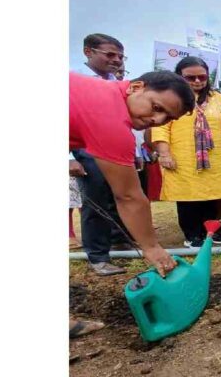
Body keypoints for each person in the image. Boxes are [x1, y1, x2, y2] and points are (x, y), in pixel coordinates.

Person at [70, 70, 194, 276]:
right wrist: (152, 248)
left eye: (168, 117)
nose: (158, 119)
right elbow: (128, 196)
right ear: (136, 87)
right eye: (156, 107)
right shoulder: (110, 118)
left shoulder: (100, 91)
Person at [70, 33, 135, 275]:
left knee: (118, 196)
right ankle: (98, 256)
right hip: (86, 150)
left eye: (120, 55)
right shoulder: (74, 80)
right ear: (88, 51)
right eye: (110, 54)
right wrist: (68, 157)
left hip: (114, 150)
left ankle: (119, 239)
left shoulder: (117, 83)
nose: (116, 60)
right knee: (96, 202)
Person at [151, 57, 221, 248]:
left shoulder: (217, 98)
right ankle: (192, 235)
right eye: (190, 77)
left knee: (212, 197)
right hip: (182, 157)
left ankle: (209, 232)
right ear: (179, 77)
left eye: (201, 76)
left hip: (212, 157)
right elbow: (160, 127)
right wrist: (164, 154)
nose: (197, 81)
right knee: (188, 199)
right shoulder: (170, 98)